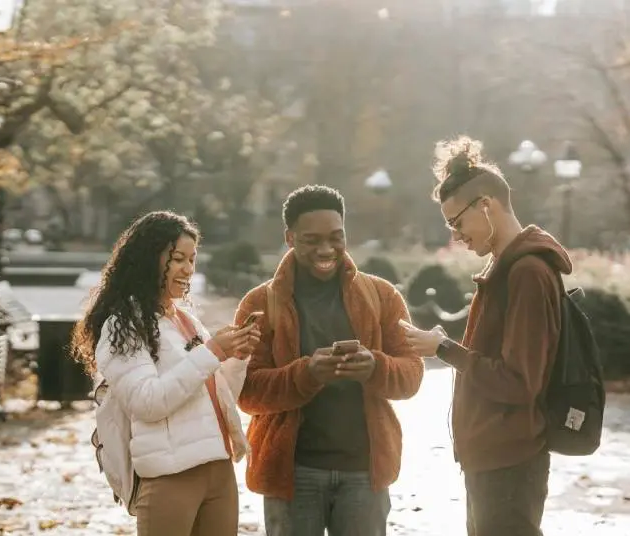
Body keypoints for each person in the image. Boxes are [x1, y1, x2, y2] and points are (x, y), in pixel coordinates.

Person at [401, 136, 572, 536]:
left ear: (486, 205)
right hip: (493, 457)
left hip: (510, 460)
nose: (456, 236)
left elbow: (518, 382)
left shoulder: (527, 272)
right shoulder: (506, 268)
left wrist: (443, 348)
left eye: (457, 223)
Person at [234, 185, 424, 536]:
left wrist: (375, 367)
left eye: (337, 237)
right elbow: (245, 392)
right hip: (291, 474)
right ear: (289, 238)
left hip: (365, 473)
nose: (326, 249)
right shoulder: (259, 303)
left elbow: (412, 374)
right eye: (311, 240)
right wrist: (305, 374)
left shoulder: (381, 295)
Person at [71, 211, 260, 536]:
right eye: (177, 259)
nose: (188, 269)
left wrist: (237, 356)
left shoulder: (186, 320)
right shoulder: (124, 325)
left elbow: (213, 396)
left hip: (218, 468)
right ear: (149, 260)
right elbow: (148, 402)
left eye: (192, 259)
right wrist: (212, 351)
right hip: (171, 476)